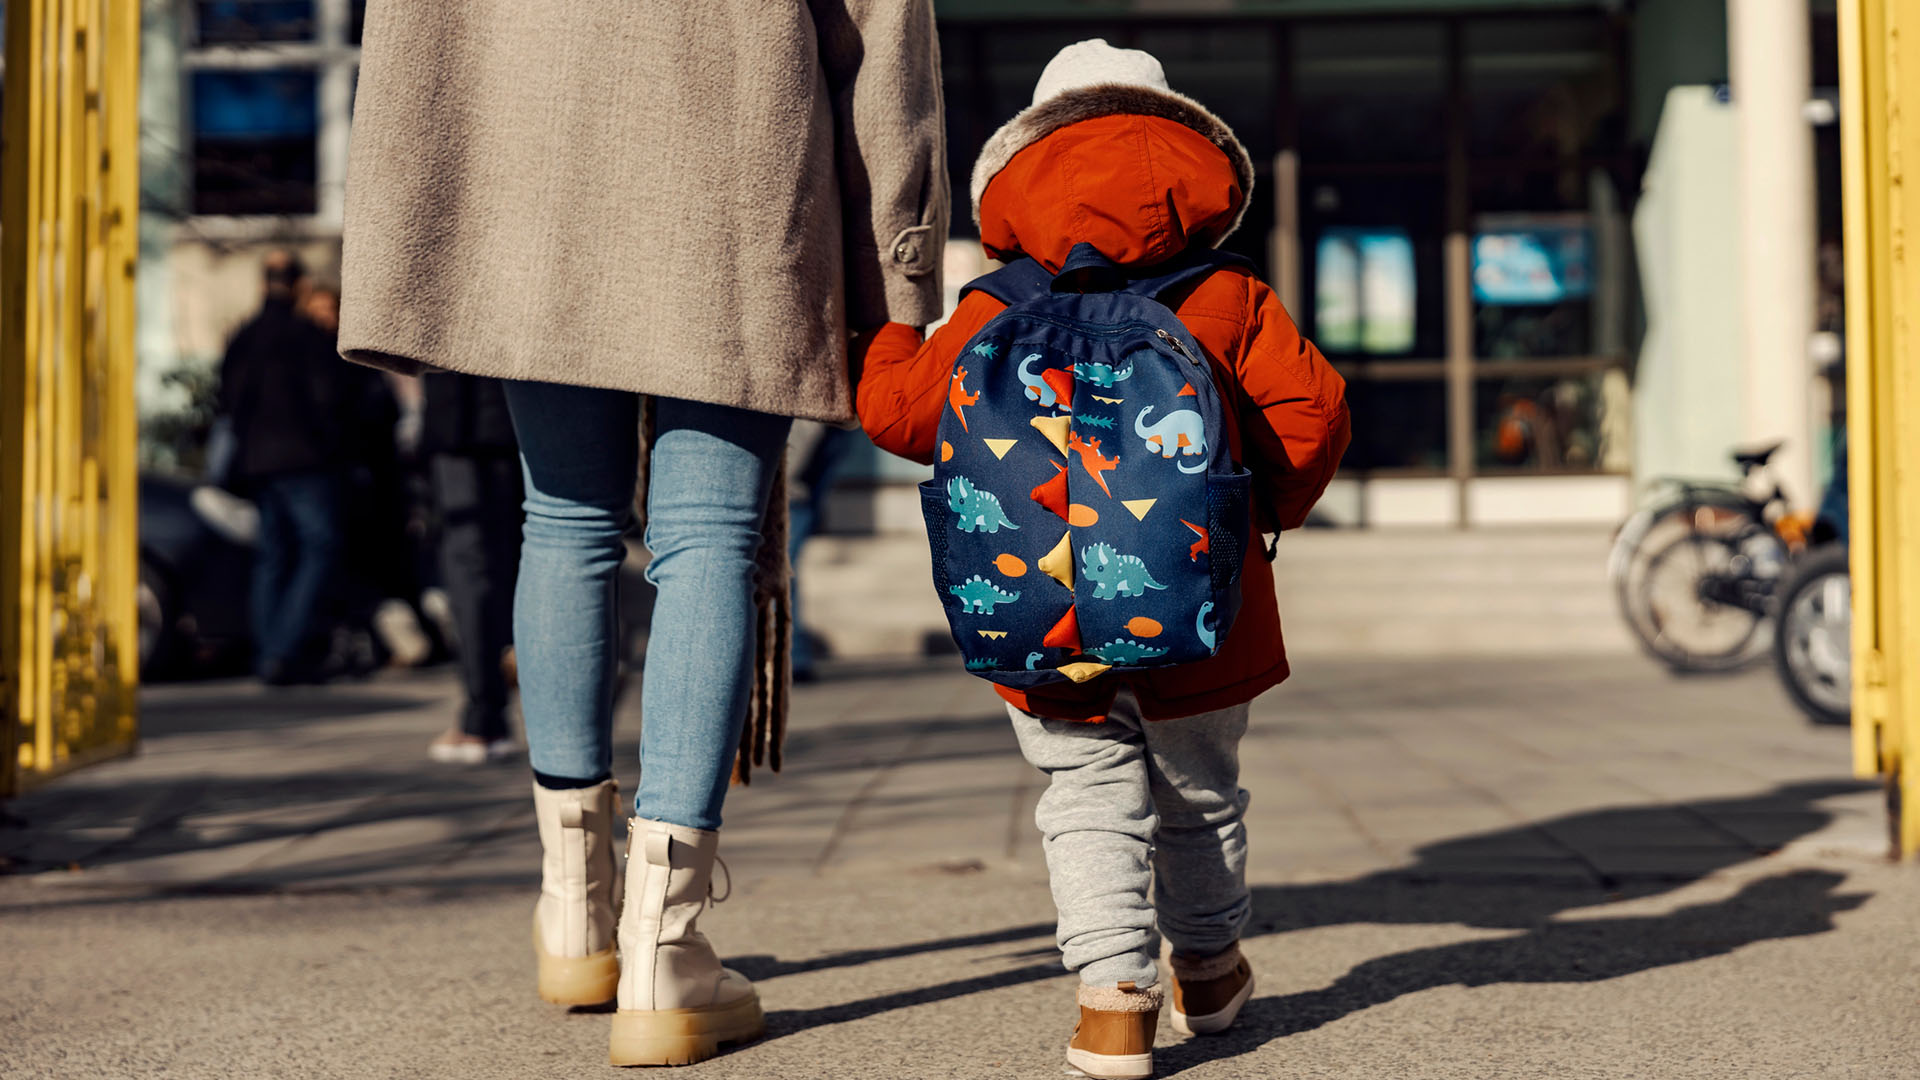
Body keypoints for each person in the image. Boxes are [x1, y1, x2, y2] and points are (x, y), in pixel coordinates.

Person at [336, 0, 946, 1067]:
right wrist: (899, 263)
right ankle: (665, 948)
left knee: (562, 520)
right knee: (708, 536)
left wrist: (420, 201)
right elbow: (884, 36)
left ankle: (576, 917)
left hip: (530, 174)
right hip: (733, 165)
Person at [857, 41, 1350, 1080]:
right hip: (1204, 599)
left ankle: (1111, 1005)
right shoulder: (1228, 296)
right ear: (1188, 160)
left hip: (1042, 611)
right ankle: (1209, 973)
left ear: (1021, 173)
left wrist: (891, 339)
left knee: (1084, 795)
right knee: (1201, 789)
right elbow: (1311, 421)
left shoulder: (996, 305)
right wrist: (1266, 516)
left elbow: (899, 416)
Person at [217, 252, 352, 686]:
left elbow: (229, 401)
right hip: (304, 459)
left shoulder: (245, 336)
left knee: (272, 556)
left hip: (259, 461)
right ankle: (283, 648)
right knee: (320, 547)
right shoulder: (304, 336)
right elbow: (329, 397)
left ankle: (272, 650)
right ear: (297, 286)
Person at [420, 372, 524, 764]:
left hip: (464, 422)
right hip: (527, 412)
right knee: (532, 550)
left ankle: (483, 716)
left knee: (469, 564)